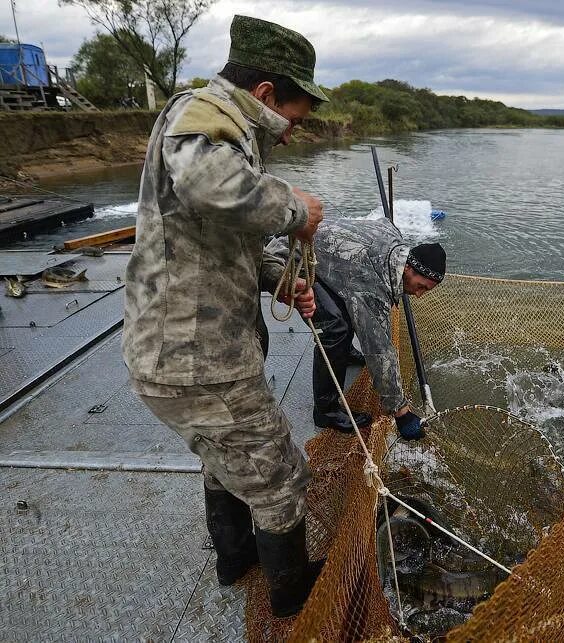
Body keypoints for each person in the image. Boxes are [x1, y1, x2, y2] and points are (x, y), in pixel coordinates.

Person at [122, 15, 330, 618]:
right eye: (292, 118)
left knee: (225, 458)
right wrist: (295, 209)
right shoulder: (205, 118)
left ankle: (236, 561)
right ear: (265, 94)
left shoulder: (224, 127)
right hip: (197, 359)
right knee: (281, 476)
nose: (292, 134)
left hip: (183, 353)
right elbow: (204, 184)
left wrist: (280, 279)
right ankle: (294, 603)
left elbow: (210, 236)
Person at [267, 219, 446, 439]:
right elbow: (379, 351)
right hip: (286, 259)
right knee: (335, 329)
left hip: (322, 259)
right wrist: (401, 412)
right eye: (420, 287)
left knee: (350, 304)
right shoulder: (373, 284)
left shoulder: (396, 243)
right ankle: (326, 411)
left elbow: (386, 222)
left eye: (425, 291)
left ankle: (343, 353)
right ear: (407, 267)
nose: (418, 295)